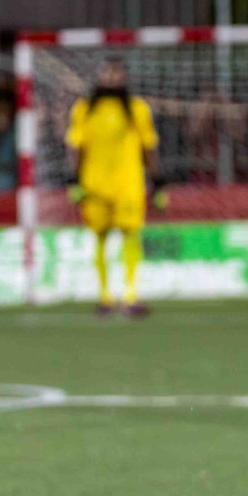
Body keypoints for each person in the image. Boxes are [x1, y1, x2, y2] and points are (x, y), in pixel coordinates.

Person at [66, 57, 158, 318]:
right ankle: (104, 297)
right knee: (99, 238)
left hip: (128, 184)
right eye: (107, 73)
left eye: (116, 74)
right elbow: (75, 145)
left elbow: (148, 145)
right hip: (94, 185)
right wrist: (73, 179)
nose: (112, 79)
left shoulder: (137, 109)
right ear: (99, 77)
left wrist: (157, 179)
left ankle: (131, 296)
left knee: (131, 236)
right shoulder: (84, 109)